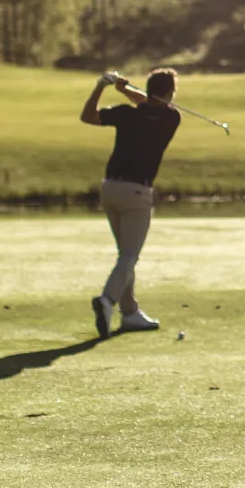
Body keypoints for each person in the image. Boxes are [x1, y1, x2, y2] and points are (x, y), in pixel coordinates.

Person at [80, 67, 181, 338]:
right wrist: (124, 89)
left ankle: (131, 313)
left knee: (124, 254)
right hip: (137, 193)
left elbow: (87, 116)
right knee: (129, 256)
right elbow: (152, 106)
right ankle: (106, 301)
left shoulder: (126, 114)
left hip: (110, 188)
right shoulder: (171, 118)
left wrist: (103, 86)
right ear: (170, 94)